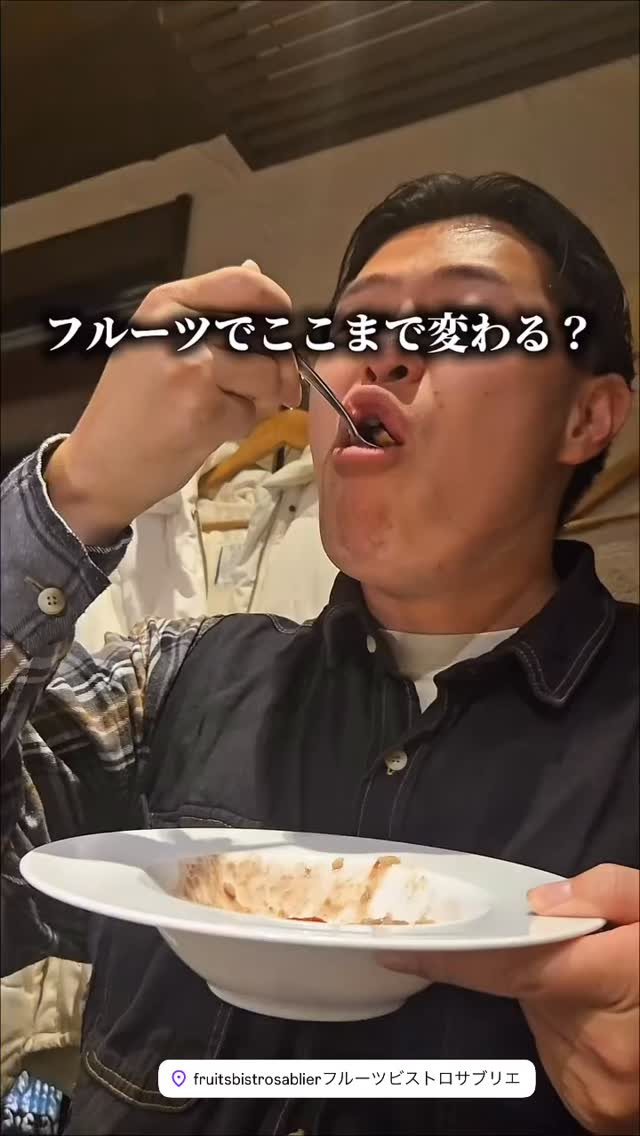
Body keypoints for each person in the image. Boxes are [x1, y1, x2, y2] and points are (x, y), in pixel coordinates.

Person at [1, 172, 638, 1136]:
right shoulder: (172, 681)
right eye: (359, 323)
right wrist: (79, 491)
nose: (386, 350)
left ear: (586, 417)